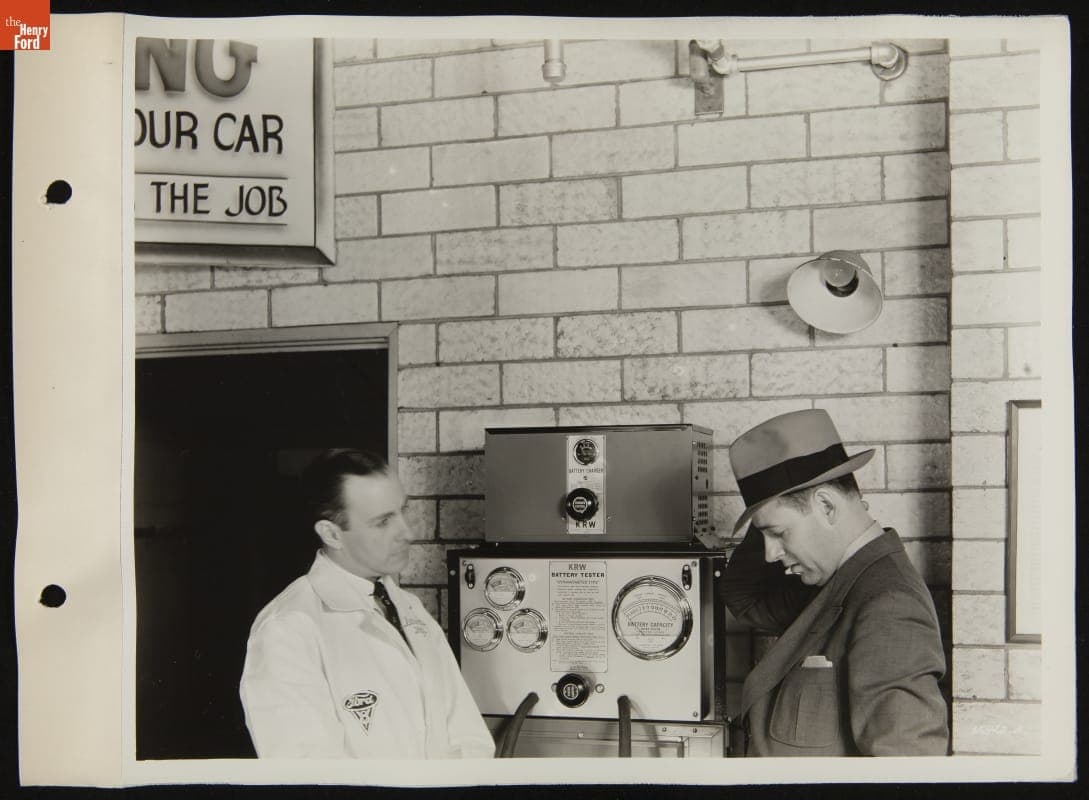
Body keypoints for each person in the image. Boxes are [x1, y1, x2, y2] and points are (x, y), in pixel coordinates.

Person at [239, 449, 494, 758]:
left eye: (403, 510)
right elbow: (307, 771)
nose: (408, 533)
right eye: (383, 522)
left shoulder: (410, 608)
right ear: (332, 534)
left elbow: (468, 736)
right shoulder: (287, 628)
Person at [722, 409, 948, 756]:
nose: (770, 555)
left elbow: (906, 768)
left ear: (827, 506)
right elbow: (743, 595)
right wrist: (767, 511)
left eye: (779, 533)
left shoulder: (889, 606)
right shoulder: (837, 581)